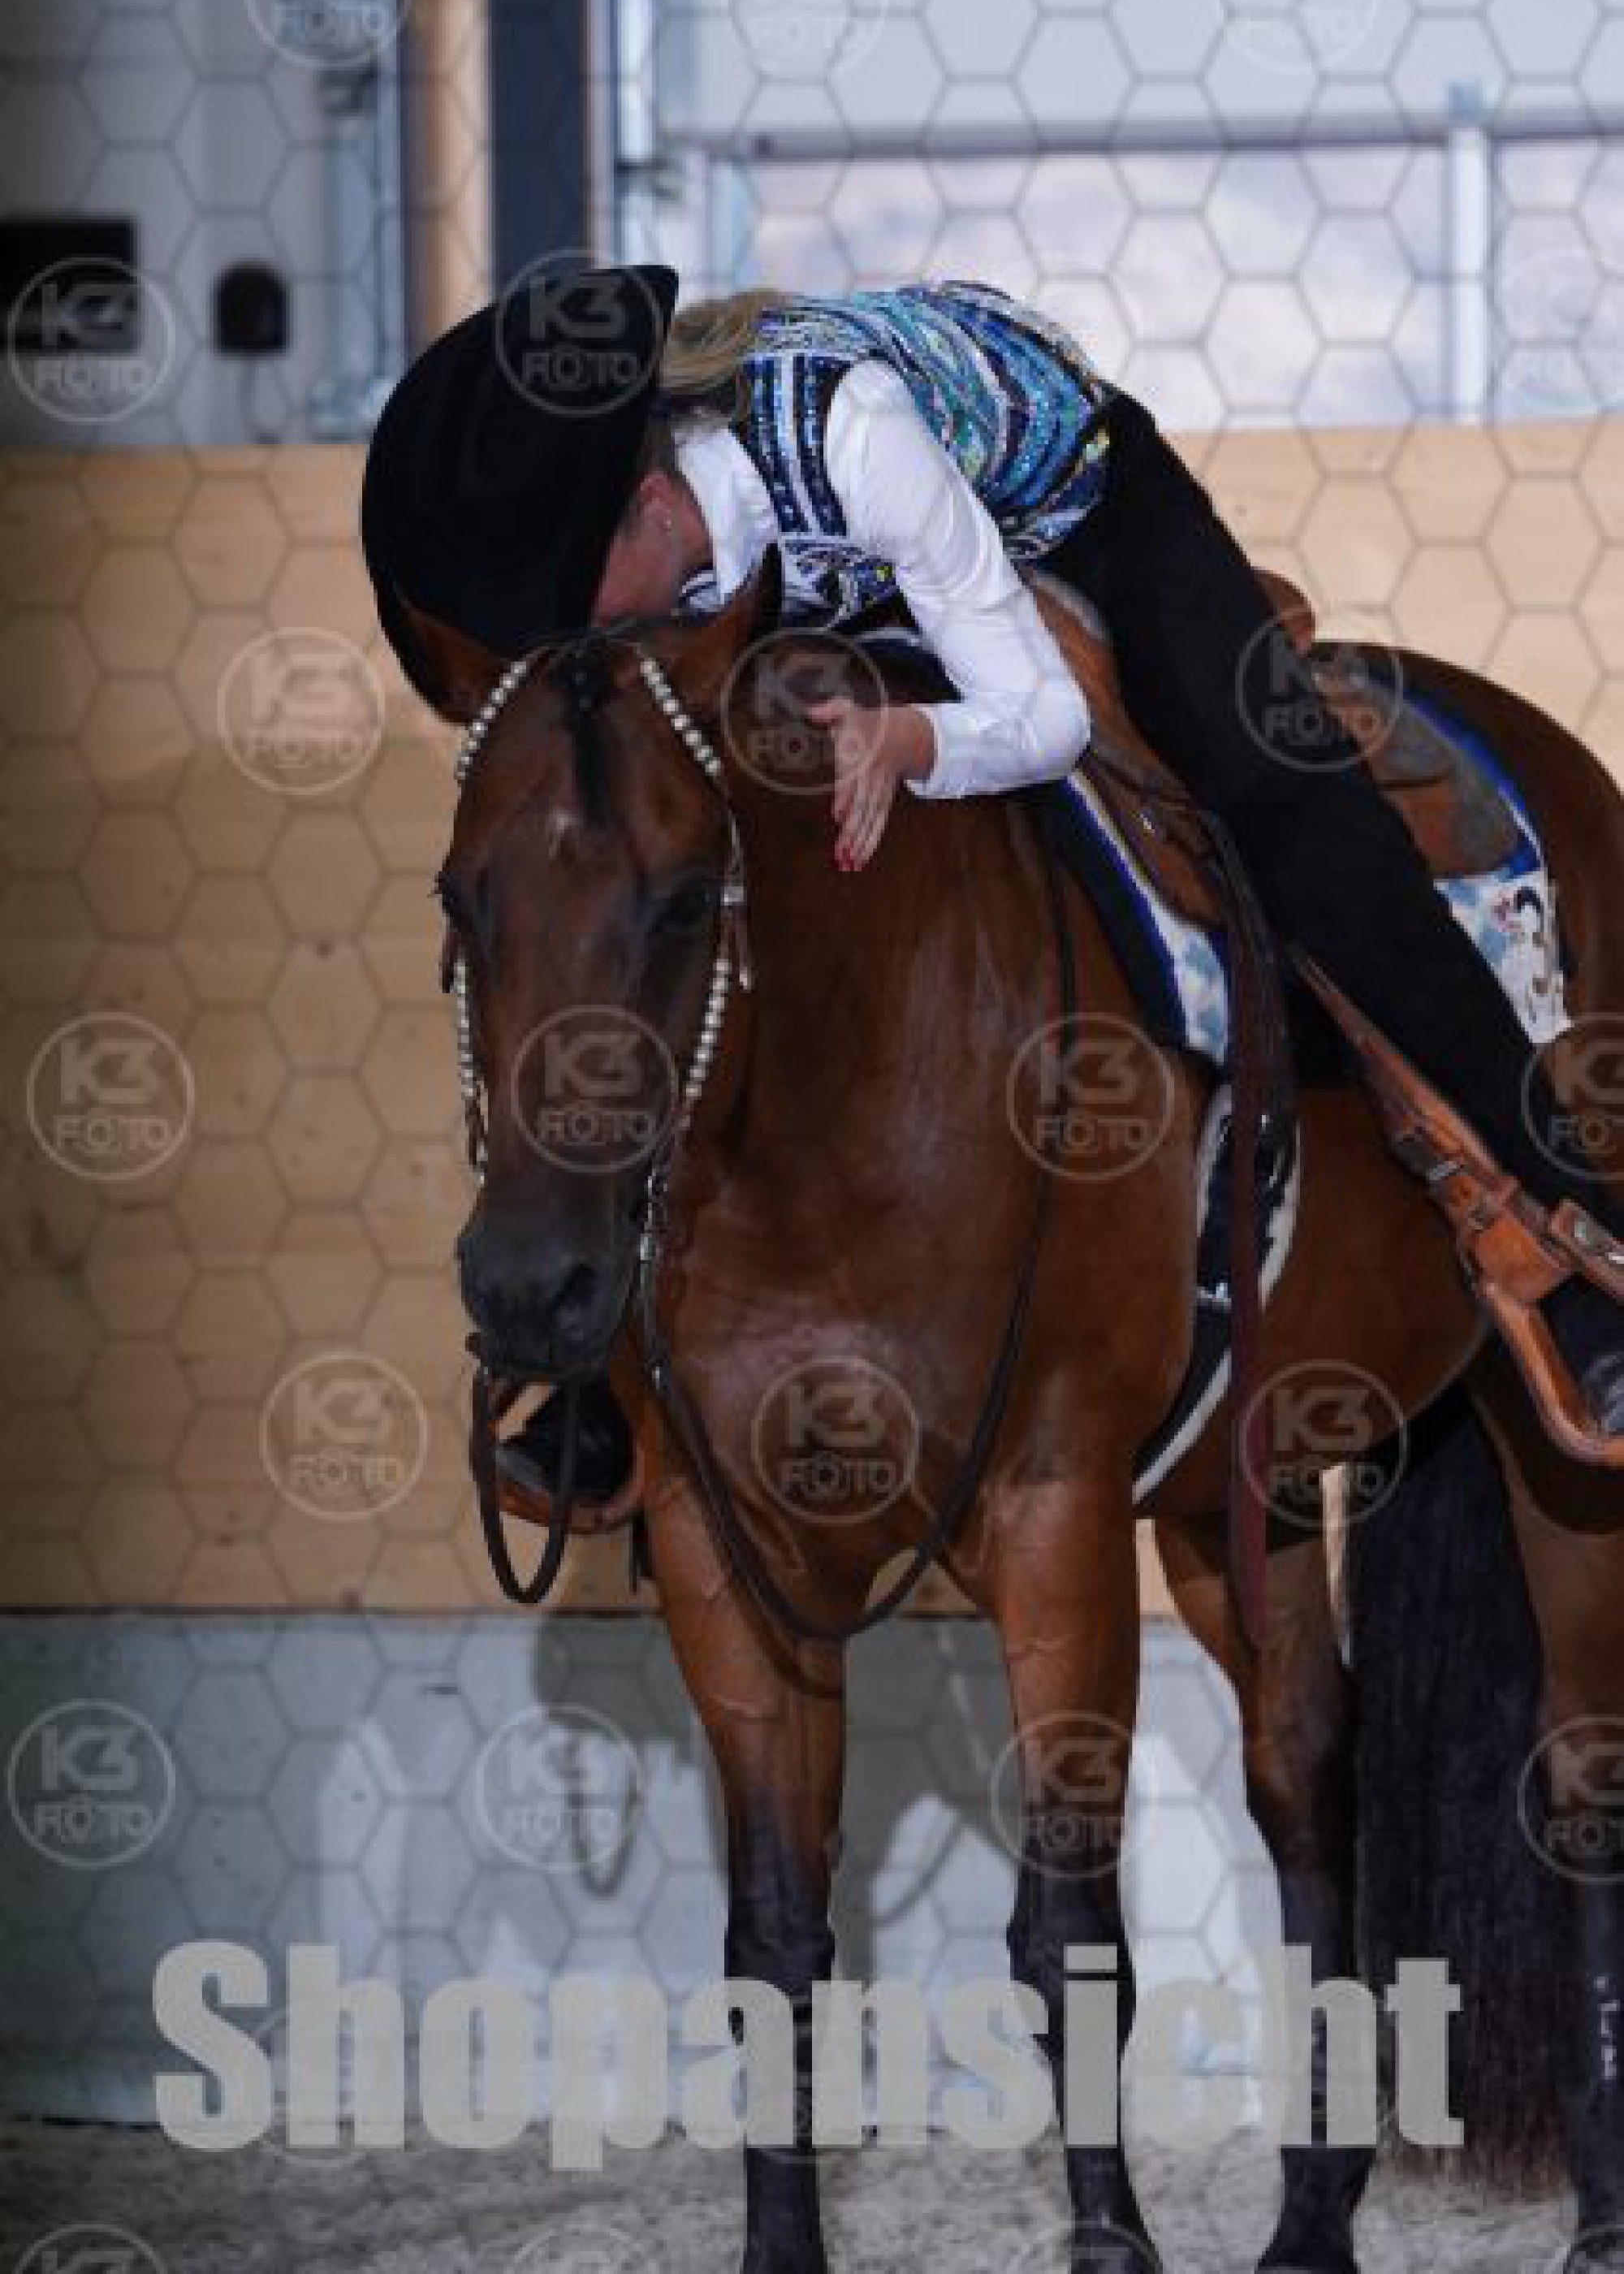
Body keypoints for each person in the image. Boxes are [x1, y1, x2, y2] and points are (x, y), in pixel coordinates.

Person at [361, 262, 1624, 1496]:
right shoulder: (651, 584)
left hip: (1079, 513)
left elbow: (1041, 717)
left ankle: (1572, 1250)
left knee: (1297, 815)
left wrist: (914, 740)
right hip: (844, 580)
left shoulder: (855, 436)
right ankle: (609, 1363)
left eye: (569, 606)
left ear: (649, 506)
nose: (565, 648)